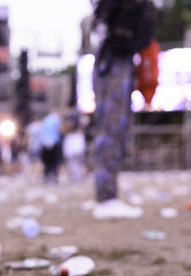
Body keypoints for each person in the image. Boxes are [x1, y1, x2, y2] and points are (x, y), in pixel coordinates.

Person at [89, 0, 154, 219]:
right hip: (114, 60)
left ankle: (108, 196)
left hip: (117, 59)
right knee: (112, 129)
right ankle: (106, 198)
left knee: (116, 129)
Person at [62, 114, 88, 184]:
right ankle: (76, 179)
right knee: (74, 163)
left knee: (76, 162)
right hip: (75, 142)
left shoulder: (77, 131)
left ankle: (78, 179)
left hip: (75, 142)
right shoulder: (75, 132)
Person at [39, 110, 63, 185]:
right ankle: (53, 178)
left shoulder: (45, 120)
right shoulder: (57, 120)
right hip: (55, 142)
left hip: (45, 142)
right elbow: (60, 130)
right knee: (54, 161)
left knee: (47, 162)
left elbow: (41, 131)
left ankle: (46, 177)